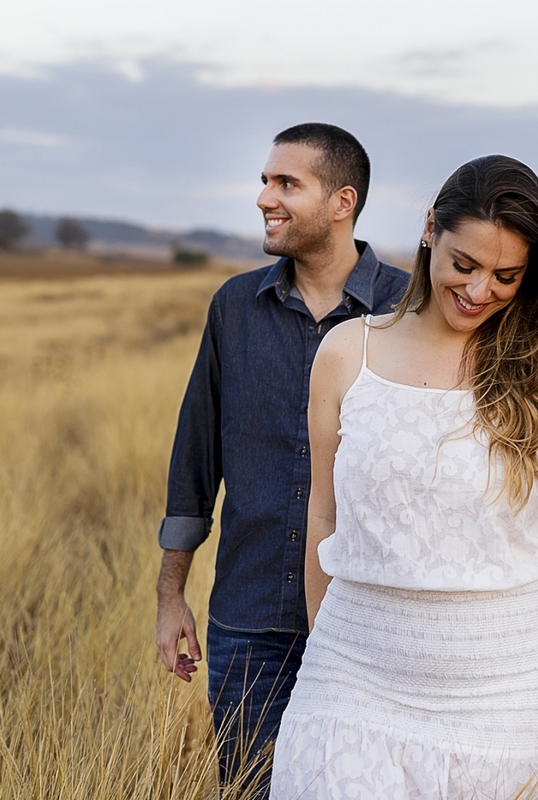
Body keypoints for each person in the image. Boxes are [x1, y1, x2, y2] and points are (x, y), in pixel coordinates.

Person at [270, 154, 538, 799]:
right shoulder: (347, 352)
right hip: (352, 678)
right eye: (465, 265)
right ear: (431, 230)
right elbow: (324, 515)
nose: (481, 291)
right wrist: (325, 652)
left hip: (502, 695)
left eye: (507, 275)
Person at [154, 123, 409, 794]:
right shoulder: (235, 308)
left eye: (285, 183)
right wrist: (170, 594)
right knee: (248, 789)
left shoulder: (412, 310)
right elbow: (196, 457)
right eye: (265, 180)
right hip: (251, 621)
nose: (265, 196)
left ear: (341, 201)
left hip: (373, 620)